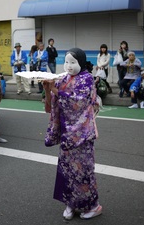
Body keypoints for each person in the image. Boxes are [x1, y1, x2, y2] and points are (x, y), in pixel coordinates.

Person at [43, 48, 102, 220]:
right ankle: (70, 203)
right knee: (67, 170)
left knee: (83, 171)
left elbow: (78, 102)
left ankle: (93, 205)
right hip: (66, 134)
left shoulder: (87, 79)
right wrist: (48, 89)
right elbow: (52, 104)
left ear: (81, 63)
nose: (68, 66)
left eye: (73, 62)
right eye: (66, 62)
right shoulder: (63, 78)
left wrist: (55, 90)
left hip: (82, 135)